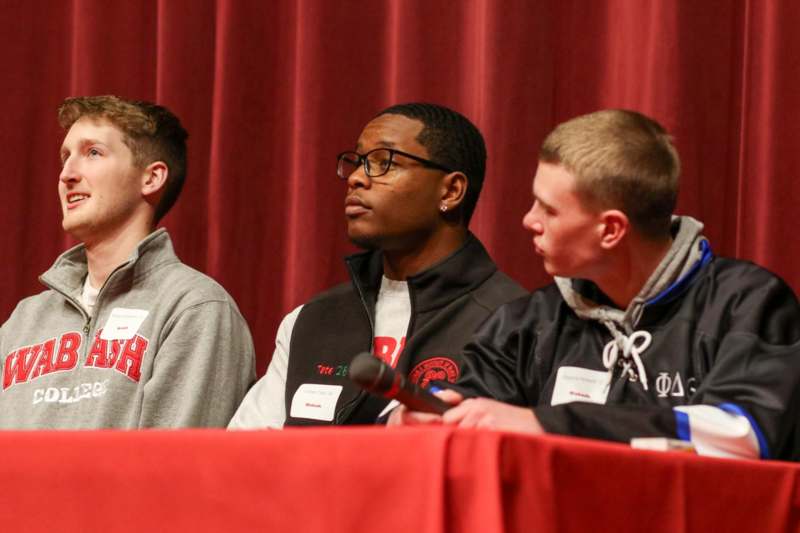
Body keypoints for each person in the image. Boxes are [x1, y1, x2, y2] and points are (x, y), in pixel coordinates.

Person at [391, 109, 800, 461]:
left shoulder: (748, 303)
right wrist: (425, 416)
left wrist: (545, 424)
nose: (529, 221)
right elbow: (467, 401)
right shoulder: (527, 322)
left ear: (611, 230)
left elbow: (741, 432)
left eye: (549, 210)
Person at [229, 102, 526, 428]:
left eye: (385, 163)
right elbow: (246, 448)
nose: (356, 178)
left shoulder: (515, 324)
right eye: (358, 163)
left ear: (451, 191)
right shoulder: (311, 321)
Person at [0, 95, 255, 428]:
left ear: (151, 179)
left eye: (93, 153)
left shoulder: (194, 307)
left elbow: (180, 457)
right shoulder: (24, 321)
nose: (67, 174)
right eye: (65, 157)